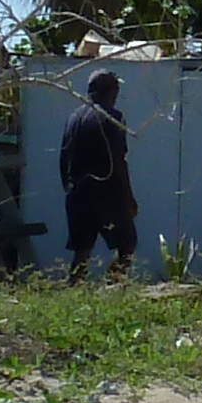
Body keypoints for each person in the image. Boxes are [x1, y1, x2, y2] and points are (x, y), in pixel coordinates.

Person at [60, 67, 138, 278]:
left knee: (82, 250)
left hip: (77, 193)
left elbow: (63, 157)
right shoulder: (112, 118)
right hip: (106, 195)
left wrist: (69, 187)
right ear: (110, 91)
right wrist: (128, 197)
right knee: (127, 243)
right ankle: (113, 285)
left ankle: (74, 289)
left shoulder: (74, 118)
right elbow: (118, 160)